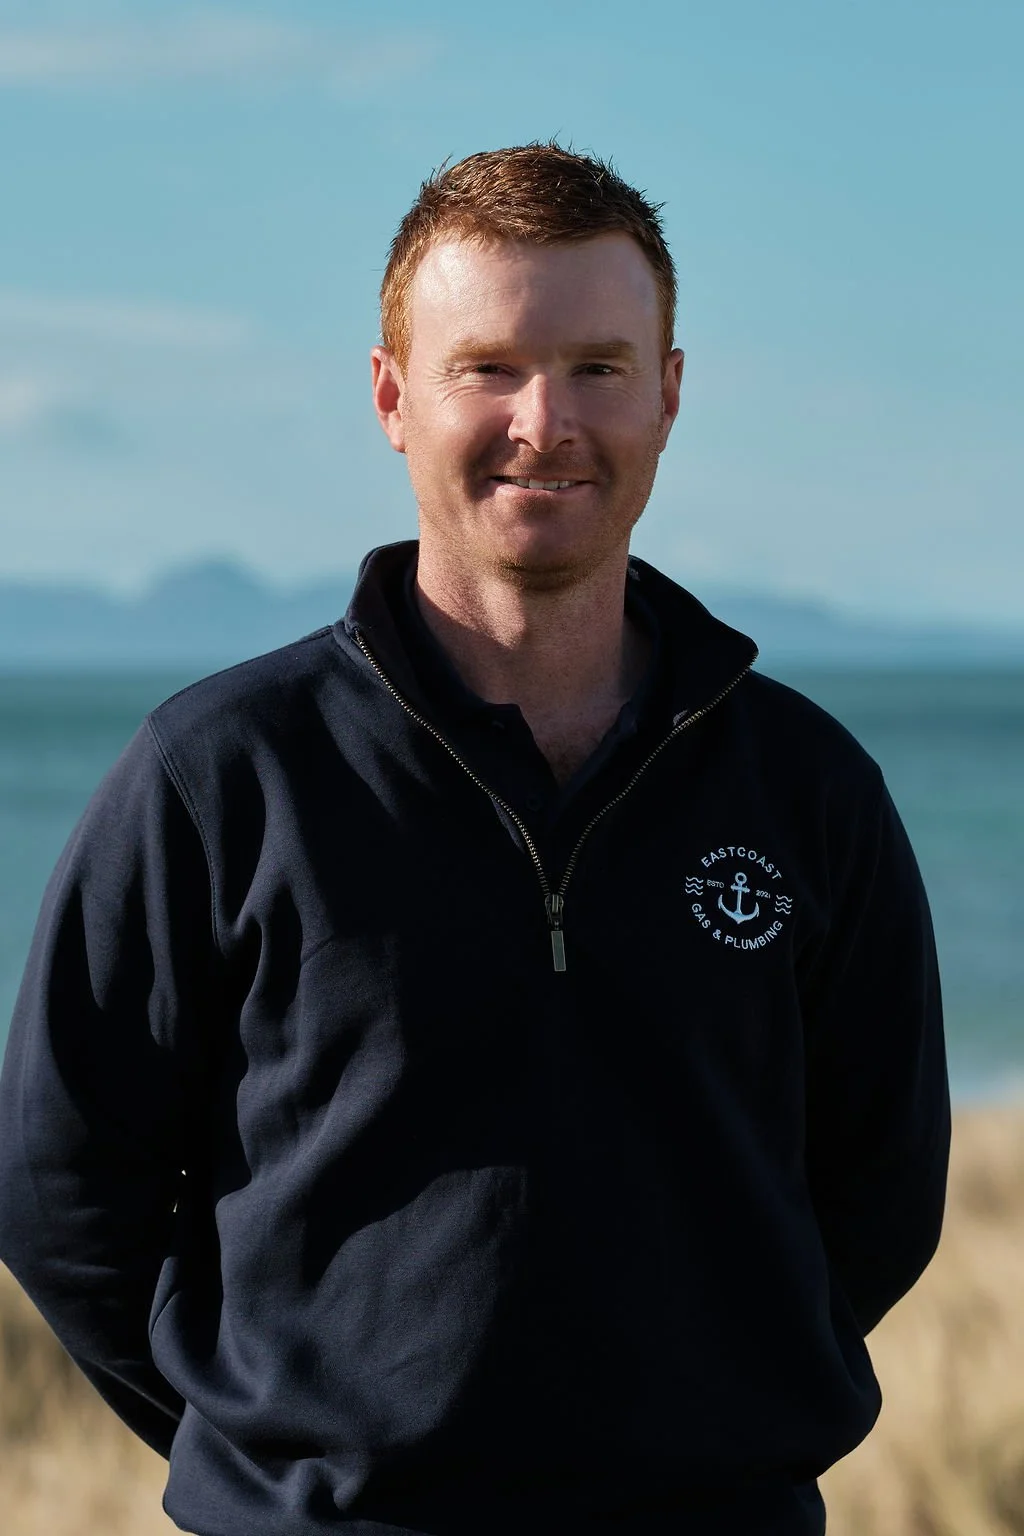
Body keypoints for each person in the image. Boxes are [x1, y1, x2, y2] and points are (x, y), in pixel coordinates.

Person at [0, 144, 949, 1536]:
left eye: (601, 367)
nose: (546, 420)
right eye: (489, 366)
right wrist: (280, 1452)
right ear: (393, 395)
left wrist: (709, 1414)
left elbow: (883, 1190)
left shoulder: (805, 787)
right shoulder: (219, 775)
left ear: (672, 394)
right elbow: (60, 1187)